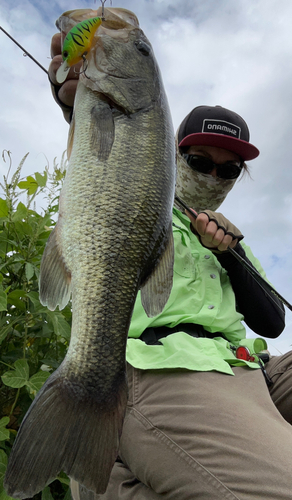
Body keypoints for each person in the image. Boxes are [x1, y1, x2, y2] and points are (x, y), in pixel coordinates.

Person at [49, 32, 292, 500]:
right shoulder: (138, 201)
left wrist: (230, 254)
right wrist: (80, 104)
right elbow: (108, 153)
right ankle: (112, 442)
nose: (214, 176)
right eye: (200, 161)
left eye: (229, 170)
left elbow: (273, 321)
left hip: (247, 369)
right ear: (169, 152)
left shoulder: (232, 239)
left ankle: (118, 475)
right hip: (164, 362)